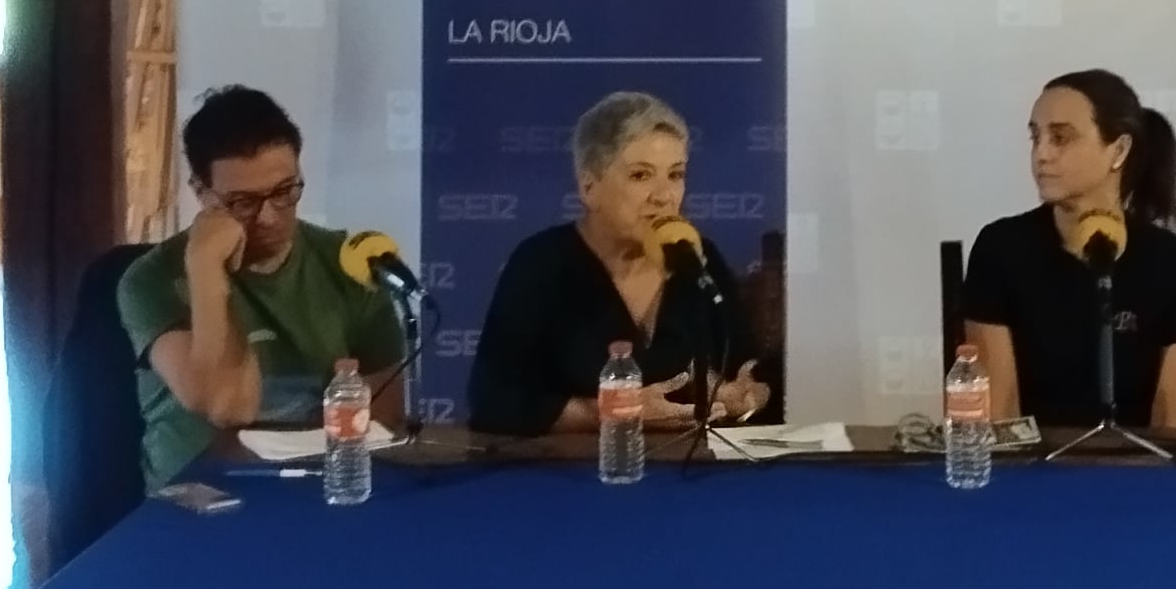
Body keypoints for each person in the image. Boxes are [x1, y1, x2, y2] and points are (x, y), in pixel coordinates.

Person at [116, 84, 412, 492]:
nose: (270, 217)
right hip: (197, 505)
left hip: (318, 494)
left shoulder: (350, 263)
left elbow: (381, 424)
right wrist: (205, 268)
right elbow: (228, 405)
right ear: (202, 193)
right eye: (243, 202)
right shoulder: (152, 280)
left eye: (285, 191)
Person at [465, 90, 772, 438]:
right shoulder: (540, 265)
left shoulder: (695, 255)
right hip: (576, 476)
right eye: (641, 176)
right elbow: (491, 401)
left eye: (675, 175)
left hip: (690, 473)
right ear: (589, 187)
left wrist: (746, 396)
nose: (664, 195)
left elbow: (746, 368)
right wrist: (603, 412)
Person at [958, 70, 1176, 431]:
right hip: (1030, 475)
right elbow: (1000, 413)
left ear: (1119, 150)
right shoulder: (1001, 248)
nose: (1041, 154)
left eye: (1060, 138)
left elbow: (1174, 422)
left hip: (1135, 476)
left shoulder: (1173, 263)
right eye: (1035, 137)